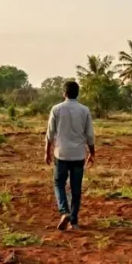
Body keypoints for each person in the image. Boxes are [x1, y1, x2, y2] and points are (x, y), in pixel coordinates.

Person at [44, 81, 95, 230]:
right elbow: (90, 135)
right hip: (78, 154)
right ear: (77, 94)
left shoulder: (56, 109)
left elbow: (50, 134)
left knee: (59, 183)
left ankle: (64, 211)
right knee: (76, 188)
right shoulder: (84, 110)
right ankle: (74, 221)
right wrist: (92, 153)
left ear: (64, 93)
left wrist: (47, 152)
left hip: (61, 153)